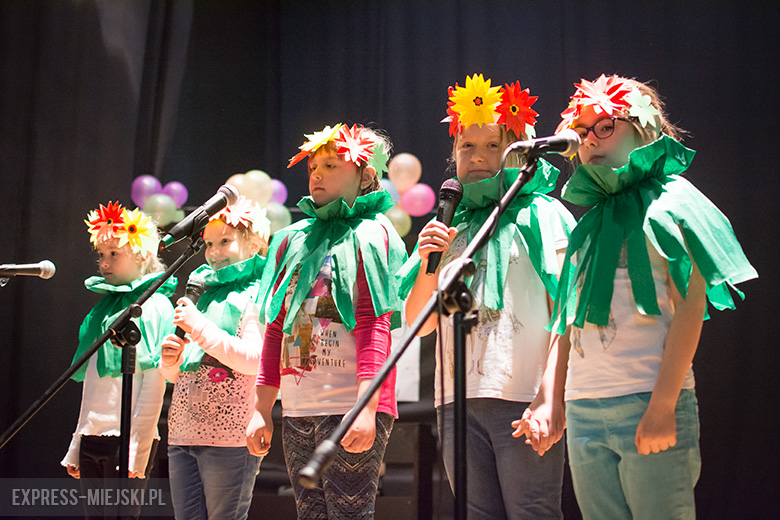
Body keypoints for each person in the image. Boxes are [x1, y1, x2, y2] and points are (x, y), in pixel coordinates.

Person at [551, 74, 758, 519]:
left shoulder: (675, 202)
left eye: (605, 126)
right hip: (584, 406)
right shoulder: (591, 220)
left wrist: (664, 406)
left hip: (648, 399)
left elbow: (690, 310)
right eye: (582, 132)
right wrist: (554, 400)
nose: (590, 140)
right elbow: (571, 316)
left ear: (644, 129)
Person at [398, 73, 575, 520]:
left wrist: (551, 397)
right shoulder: (452, 225)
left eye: (492, 146)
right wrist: (427, 262)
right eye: (465, 147)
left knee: (532, 512)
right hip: (457, 401)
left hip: (522, 395)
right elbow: (420, 321)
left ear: (517, 151)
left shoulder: (543, 213)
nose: (476, 157)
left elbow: (566, 314)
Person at [246, 123, 407, 519]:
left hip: (350, 403)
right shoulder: (293, 238)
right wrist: (262, 408)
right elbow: (275, 326)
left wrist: (366, 408)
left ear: (365, 175)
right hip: (299, 405)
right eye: (313, 166)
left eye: (331, 165)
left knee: (350, 514)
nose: (316, 173)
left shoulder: (373, 233)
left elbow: (374, 324)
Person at [158, 196, 270, 520]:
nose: (214, 252)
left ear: (255, 244)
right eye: (208, 243)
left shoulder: (257, 294)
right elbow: (178, 375)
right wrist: (171, 361)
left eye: (225, 241)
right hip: (182, 433)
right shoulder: (203, 295)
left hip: (230, 437)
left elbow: (254, 360)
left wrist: (199, 327)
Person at [62, 202, 175, 519]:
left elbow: (154, 383)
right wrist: (77, 443)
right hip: (92, 437)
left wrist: (136, 452)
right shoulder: (103, 312)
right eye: (101, 255)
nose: (104, 262)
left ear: (141, 256)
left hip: (126, 440)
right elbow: (94, 385)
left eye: (114, 254)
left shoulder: (154, 307)